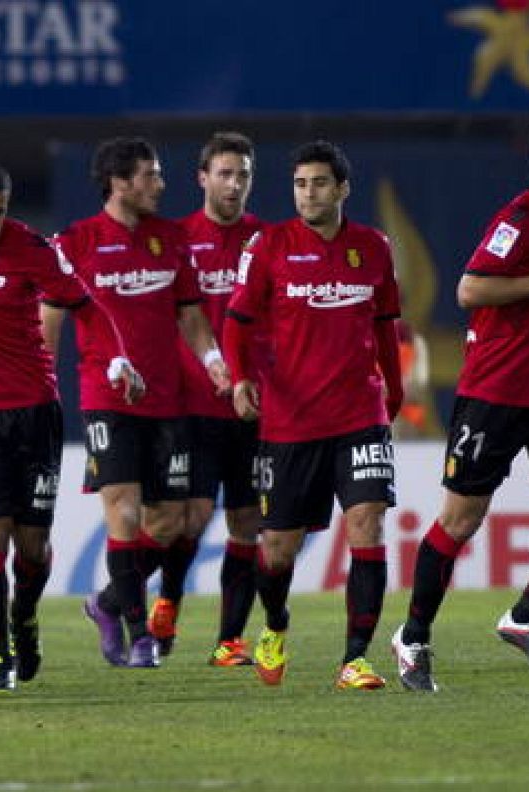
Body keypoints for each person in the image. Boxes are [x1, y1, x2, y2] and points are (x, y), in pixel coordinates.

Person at [391, 107, 529, 693]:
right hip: (494, 393)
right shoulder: (521, 216)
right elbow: (469, 288)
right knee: (461, 520)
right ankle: (412, 637)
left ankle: (524, 616)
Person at [0, 159, 140, 691]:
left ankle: (25, 616)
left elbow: (88, 307)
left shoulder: (31, 248)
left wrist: (117, 358)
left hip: (35, 411)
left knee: (32, 546)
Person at [224, 140, 403, 690]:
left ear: (342, 189)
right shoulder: (269, 245)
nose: (308, 193)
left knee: (367, 524)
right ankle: (275, 625)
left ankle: (355, 658)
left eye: (319, 183)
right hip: (291, 421)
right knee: (276, 549)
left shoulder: (374, 247)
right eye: (300, 184)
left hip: (359, 414)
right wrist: (239, 379)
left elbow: (385, 329)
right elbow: (236, 322)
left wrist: (392, 394)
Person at [57, 137, 230, 669]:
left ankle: (107, 603)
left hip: (168, 399)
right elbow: (52, 319)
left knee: (173, 521)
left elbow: (191, 316)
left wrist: (213, 358)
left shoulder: (170, 239)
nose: (160, 184)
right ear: (120, 181)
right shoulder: (78, 242)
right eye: (151, 175)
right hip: (106, 398)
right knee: (125, 513)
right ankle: (139, 633)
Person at [155, 132, 266, 665]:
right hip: (192, 406)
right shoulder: (177, 240)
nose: (234, 183)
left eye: (242, 174)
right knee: (191, 519)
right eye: (224, 173)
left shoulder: (266, 242)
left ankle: (229, 641)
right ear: (202, 178)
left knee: (246, 524)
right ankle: (169, 601)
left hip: (250, 407)